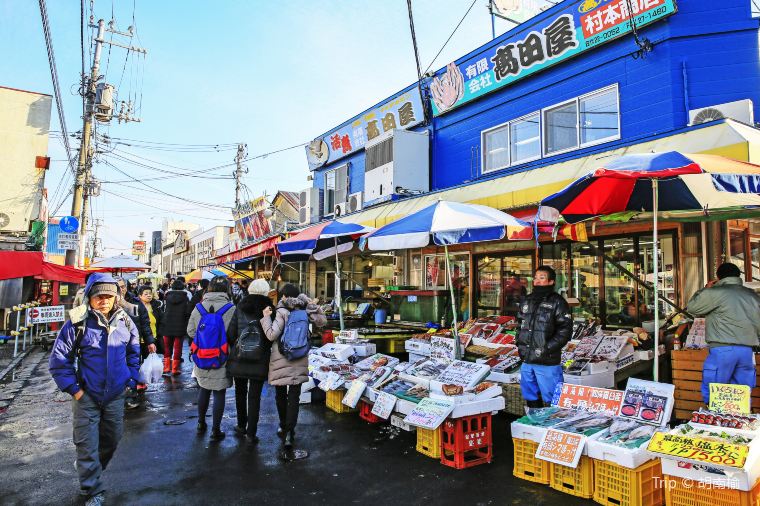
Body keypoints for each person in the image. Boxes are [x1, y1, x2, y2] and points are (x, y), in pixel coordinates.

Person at [48, 273, 140, 506]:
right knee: (87, 444)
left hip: (115, 395)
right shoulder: (77, 323)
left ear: (116, 298)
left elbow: (133, 351)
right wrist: (75, 390)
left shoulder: (125, 321)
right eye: (98, 296)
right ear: (89, 297)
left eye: (109, 296)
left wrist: (130, 378)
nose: (104, 300)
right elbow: (59, 361)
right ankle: (91, 490)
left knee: (113, 440)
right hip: (86, 396)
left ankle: (89, 468)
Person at [260, 283, 326, 450]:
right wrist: (312, 305)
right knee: (294, 397)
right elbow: (322, 321)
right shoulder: (304, 311)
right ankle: (290, 431)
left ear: (283, 297)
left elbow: (271, 335)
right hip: (300, 356)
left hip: (280, 358)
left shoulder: (281, 312)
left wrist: (266, 317)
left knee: (280, 394)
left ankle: (283, 425)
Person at [687, 263, 760, 404]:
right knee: (742, 394)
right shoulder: (752, 295)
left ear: (719, 277)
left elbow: (693, 307)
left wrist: (706, 289)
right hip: (747, 352)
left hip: (723, 350)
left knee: (715, 392)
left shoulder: (716, 292)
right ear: (738, 276)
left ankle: (716, 422)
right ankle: (740, 422)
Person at [516, 266, 573, 408]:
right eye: (535, 278)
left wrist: (546, 348)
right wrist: (519, 343)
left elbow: (565, 331)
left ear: (551, 281)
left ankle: (552, 427)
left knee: (553, 398)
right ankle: (534, 424)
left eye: (542, 278)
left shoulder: (558, 302)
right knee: (530, 396)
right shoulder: (527, 300)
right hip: (527, 359)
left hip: (547, 361)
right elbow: (519, 324)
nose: (537, 281)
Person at [186, 276, 235, 441]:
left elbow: (191, 331)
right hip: (222, 355)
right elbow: (233, 334)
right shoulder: (230, 308)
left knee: (203, 388)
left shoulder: (198, 307)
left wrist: (204, 340)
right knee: (219, 392)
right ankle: (216, 430)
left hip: (201, 355)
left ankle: (200, 423)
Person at [227, 278, 274, 444]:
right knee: (254, 397)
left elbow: (231, 333)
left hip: (239, 357)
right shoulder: (269, 309)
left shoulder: (240, 306)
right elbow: (271, 335)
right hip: (260, 358)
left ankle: (241, 425)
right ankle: (251, 433)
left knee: (240, 393)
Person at [115, 277, 155, 409]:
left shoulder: (136, 303)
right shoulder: (110, 302)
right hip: (115, 344)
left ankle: (131, 396)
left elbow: (145, 323)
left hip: (134, 342)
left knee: (133, 368)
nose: (121, 289)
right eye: (118, 286)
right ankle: (118, 396)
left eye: (123, 286)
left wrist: (150, 341)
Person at [160, 279, 192, 376]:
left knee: (167, 347)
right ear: (183, 287)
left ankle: (166, 368)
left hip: (167, 324)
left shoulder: (167, 296)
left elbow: (163, 310)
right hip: (180, 324)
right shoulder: (185, 297)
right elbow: (187, 312)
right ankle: (174, 369)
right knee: (178, 347)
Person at [137, 285, 163, 355]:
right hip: (140, 340)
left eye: (150, 293)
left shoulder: (156, 306)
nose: (149, 295)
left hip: (154, 338)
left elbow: (161, 321)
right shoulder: (136, 307)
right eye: (146, 294)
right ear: (140, 296)